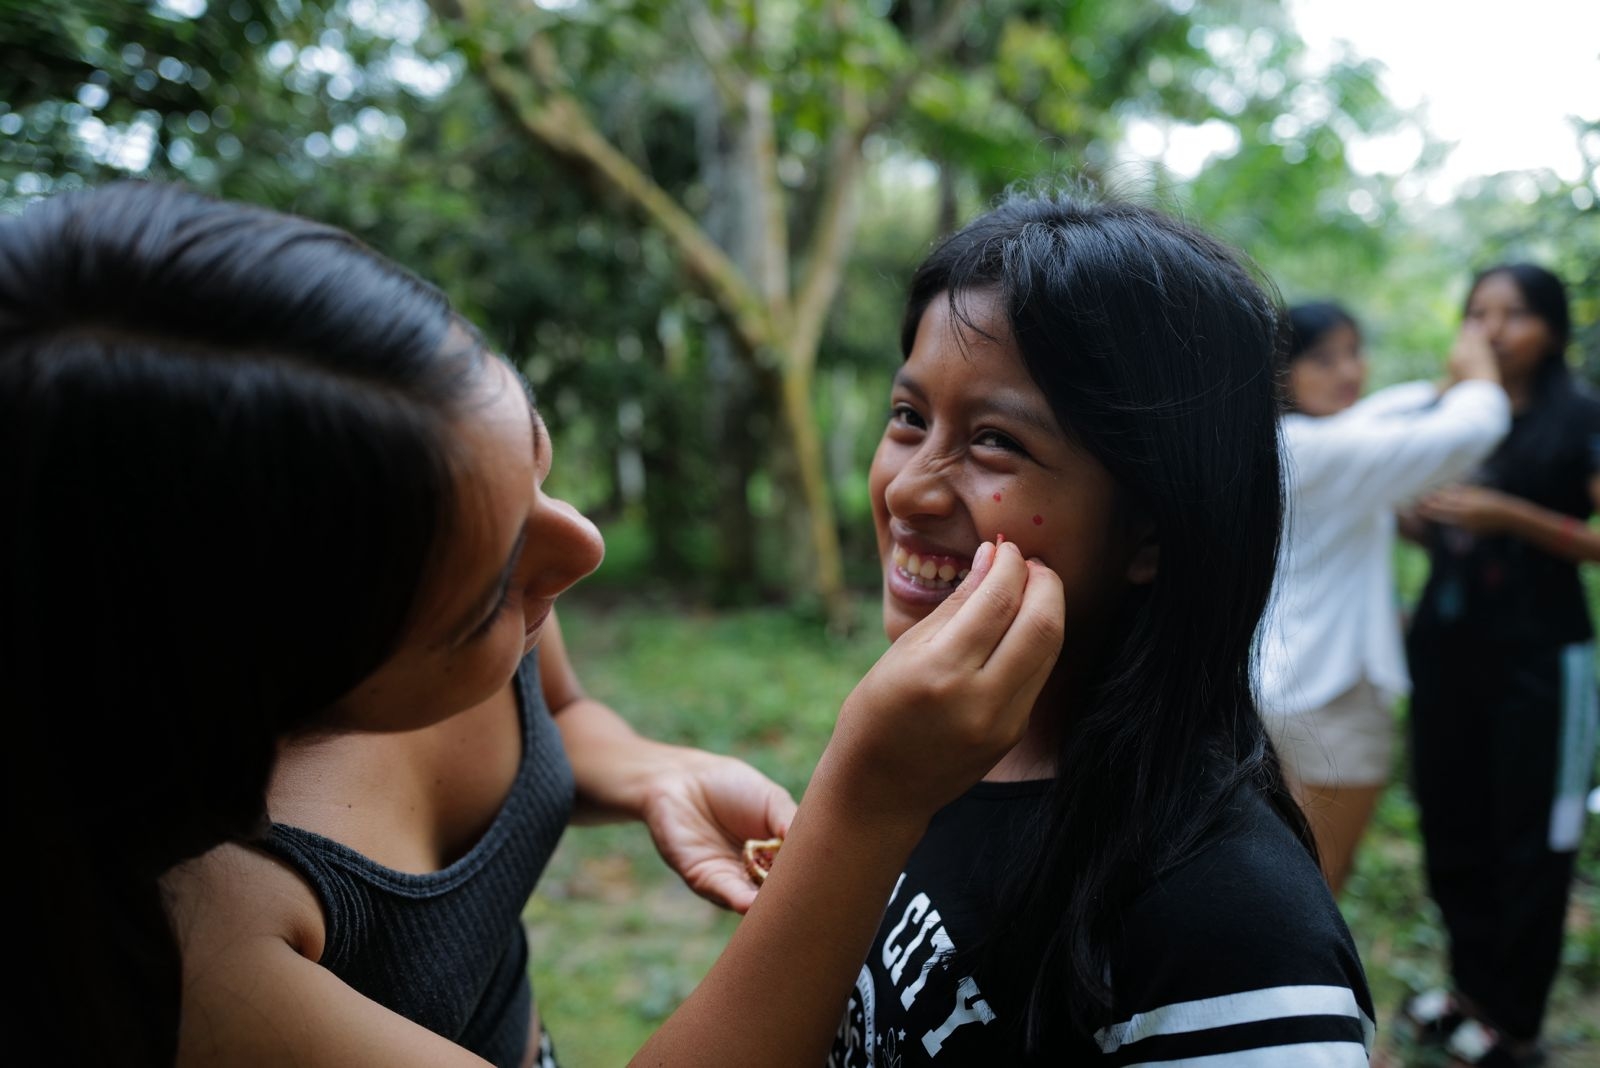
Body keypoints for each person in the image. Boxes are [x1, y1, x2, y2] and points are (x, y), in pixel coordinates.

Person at [0, 181, 1067, 1068]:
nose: (583, 547)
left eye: (536, 464)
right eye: (495, 585)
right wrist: (866, 805)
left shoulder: (415, 532)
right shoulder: (188, 957)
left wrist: (651, 772)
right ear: (261, 683)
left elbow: (560, 706)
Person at [825, 193, 1376, 1067]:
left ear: (1152, 531)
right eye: (909, 418)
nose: (905, 489)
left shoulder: (1235, 940)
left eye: (995, 440)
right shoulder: (938, 747)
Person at [1400, 264, 1600, 1068]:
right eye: (1476, 311)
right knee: (1452, 820)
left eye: (1510, 314)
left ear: (1550, 329)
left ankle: (1515, 1025)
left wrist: (1507, 515)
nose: (1488, 328)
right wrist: (1422, 521)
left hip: (1542, 661)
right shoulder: (1454, 415)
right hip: (1449, 651)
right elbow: (1442, 534)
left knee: (1530, 838)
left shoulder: (1579, 415)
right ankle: (1468, 993)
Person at [1257, 300, 1510, 893]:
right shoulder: (1313, 451)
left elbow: (1378, 416)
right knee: (1319, 881)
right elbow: (1473, 432)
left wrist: (1440, 384)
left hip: (1287, 684)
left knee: (1293, 863)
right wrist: (1481, 378)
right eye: (1323, 359)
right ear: (1280, 373)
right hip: (1332, 694)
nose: (1349, 371)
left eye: (1353, 352)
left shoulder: (1284, 441)